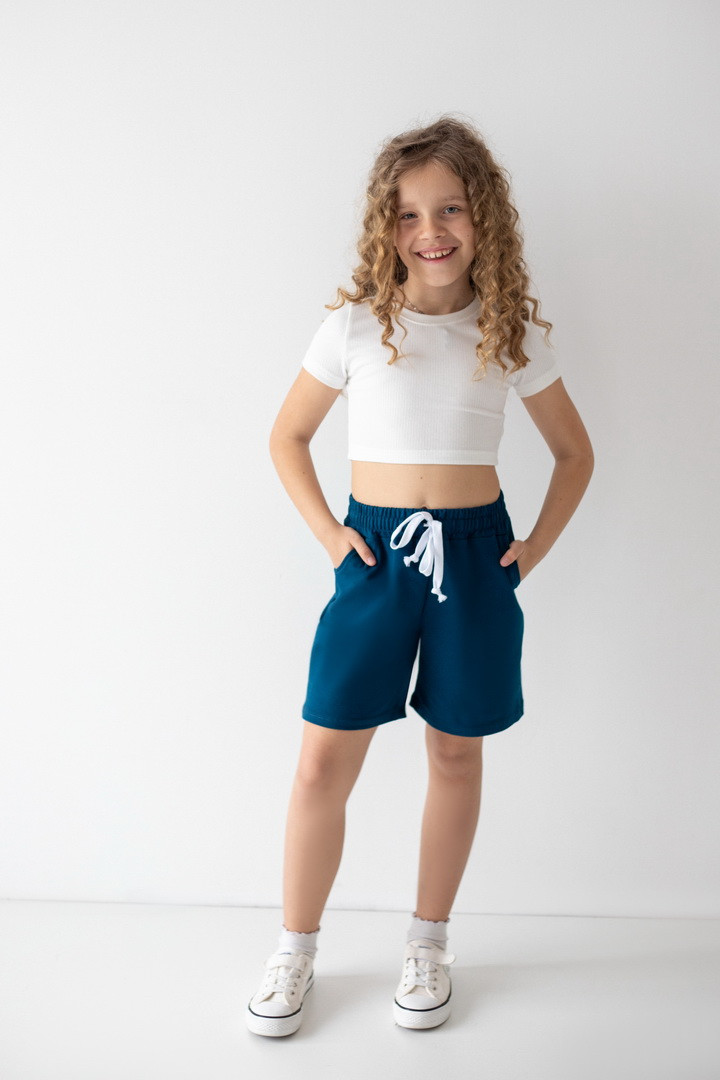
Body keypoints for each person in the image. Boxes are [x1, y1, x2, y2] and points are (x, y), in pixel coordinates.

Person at [245, 114, 594, 1037]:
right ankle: (295, 949)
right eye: (407, 214)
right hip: (372, 558)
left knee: (455, 751)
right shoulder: (357, 325)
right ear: (385, 226)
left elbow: (575, 454)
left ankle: (428, 942)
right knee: (323, 758)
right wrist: (332, 537)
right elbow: (287, 437)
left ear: (483, 217)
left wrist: (533, 548)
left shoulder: (509, 333)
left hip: (476, 560)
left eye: (449, 209)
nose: (429, 230)